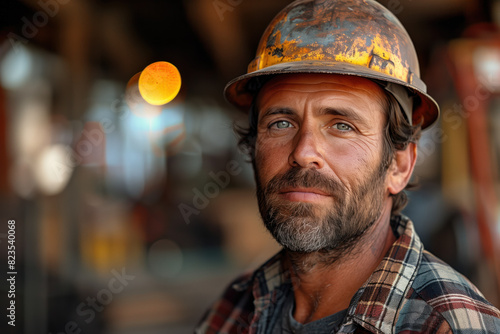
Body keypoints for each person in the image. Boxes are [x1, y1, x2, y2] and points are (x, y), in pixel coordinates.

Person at [196, 0, 500, 333]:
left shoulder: (449, 325)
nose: (303, 152)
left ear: (399, 165)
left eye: (342, 125)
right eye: (281, 123)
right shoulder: (232, 311)